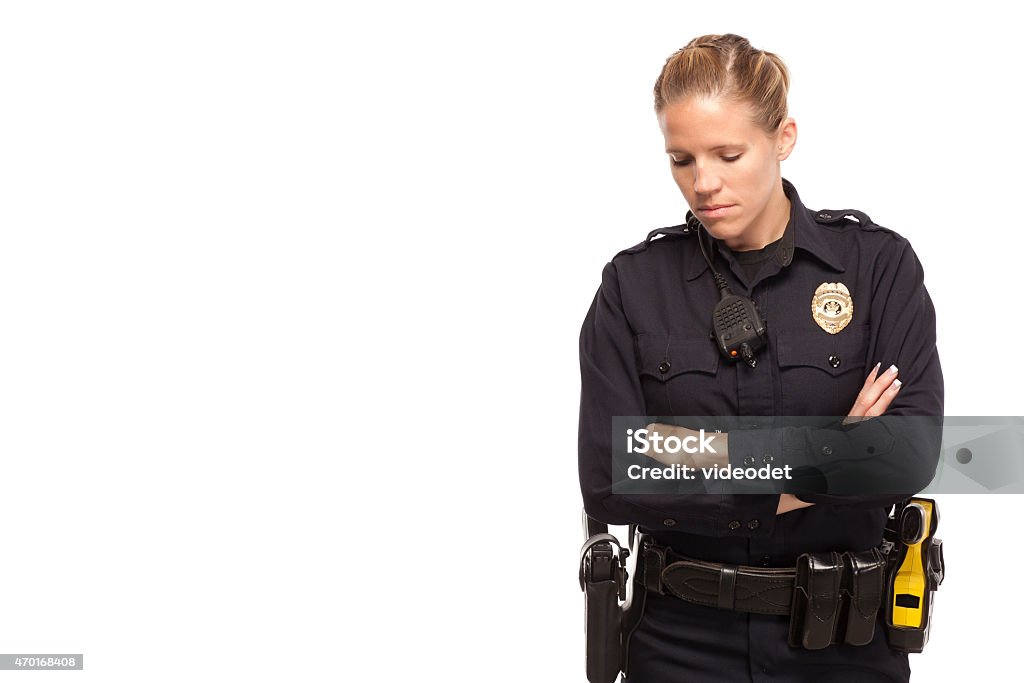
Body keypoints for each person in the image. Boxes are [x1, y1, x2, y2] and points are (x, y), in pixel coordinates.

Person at [577, 34, 943, 682]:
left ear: (784, 137)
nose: (703, 182)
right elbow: (614, 469)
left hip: (842, 646)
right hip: (679, 641)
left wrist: (696, 457)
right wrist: (826, 456)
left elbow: (907, 451)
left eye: (728, 153)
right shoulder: (633, 287)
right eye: (681, 159)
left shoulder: (877, 268)